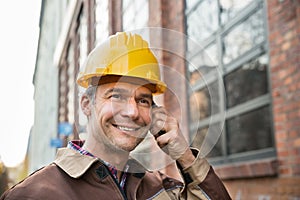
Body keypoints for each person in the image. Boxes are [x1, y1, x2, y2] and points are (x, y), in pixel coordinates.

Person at [0, 32, 231, 200]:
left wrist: (186, 157)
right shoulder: (35, 195)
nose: (132, 112)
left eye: (142, 100)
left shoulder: (163, 190)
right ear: (86, 104)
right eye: (116, 96)